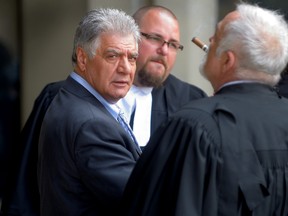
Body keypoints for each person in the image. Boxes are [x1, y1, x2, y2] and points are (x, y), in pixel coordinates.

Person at [121, 3, 288, 215]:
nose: (208, 42)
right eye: (154, 38)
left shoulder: (194, 124)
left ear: (227, 60)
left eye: (216, 37)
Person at [37, 8, 141, 216]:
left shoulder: (71, 99)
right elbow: (141, 199)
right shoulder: (92, 123)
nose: (126, 68)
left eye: (132, 58)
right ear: (83, 59)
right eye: (113, 56)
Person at [118, 5, 207, 147]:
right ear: (130, 37)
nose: (164, 50)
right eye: (154, 38)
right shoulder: (97, 90)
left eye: (173, 44)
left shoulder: (192, 101)